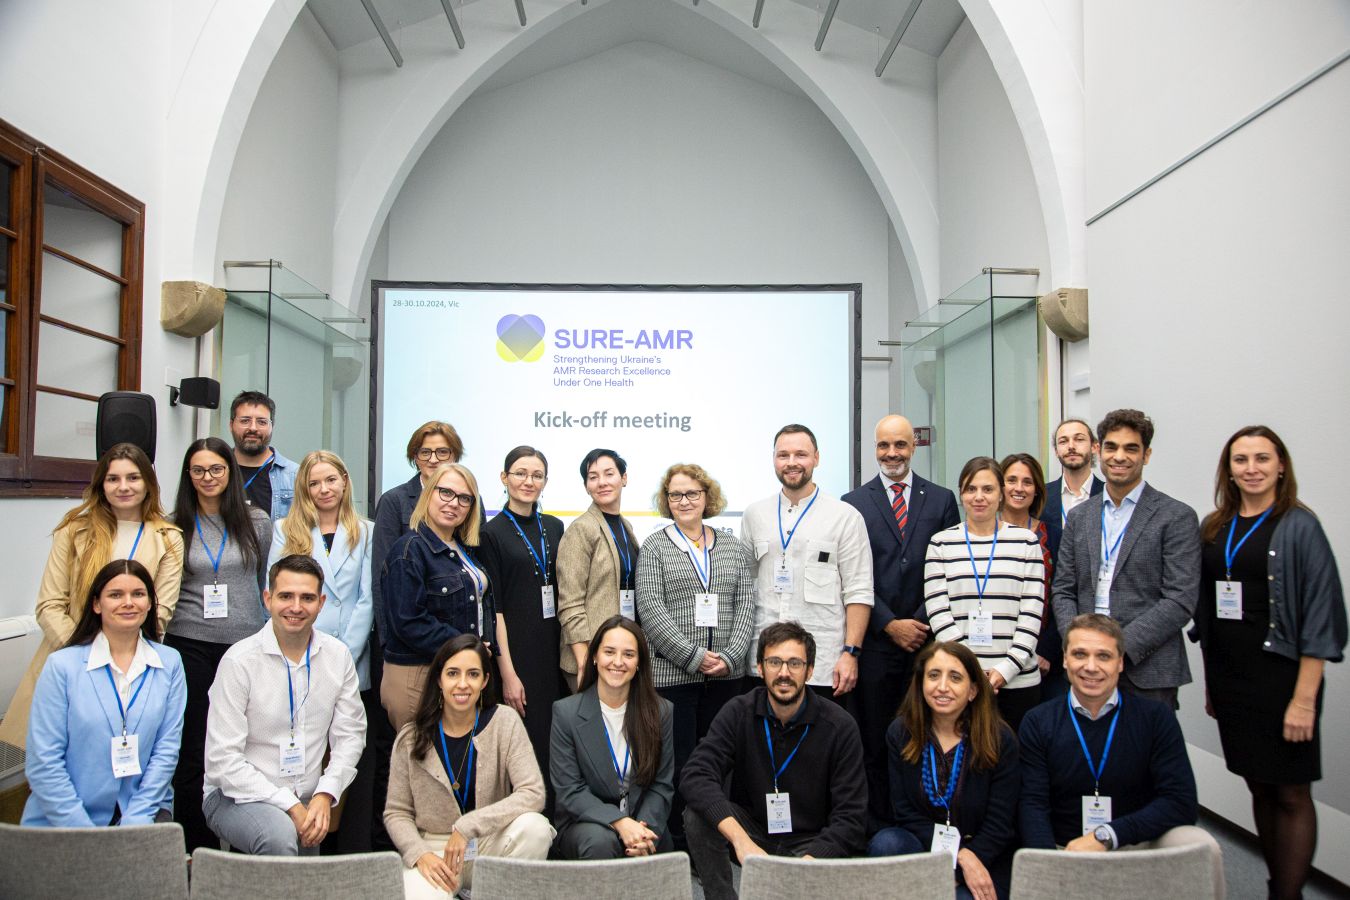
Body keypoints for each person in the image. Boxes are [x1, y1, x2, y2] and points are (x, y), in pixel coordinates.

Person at [1191, 426, 1346, 900]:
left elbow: (1322, 617)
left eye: (1262, 458)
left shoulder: (1300, 526)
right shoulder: (1216, 525)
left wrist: (1304, 700)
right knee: (1258, 785)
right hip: (1232, 678)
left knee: (1292, 792)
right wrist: (1213, 684)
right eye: (1241, 460)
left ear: (1281, 465)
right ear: (1229, 469)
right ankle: (1277, 880)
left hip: (1283, 679)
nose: (1252, 468)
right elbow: (1209, 608)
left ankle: (1287, 892)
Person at [1018, 614, 1224, 899]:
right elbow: (1032, 805)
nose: (1091, 667)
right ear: (1065, 659)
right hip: (1065, 848)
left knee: (1201, 845)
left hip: (1135, 844)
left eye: (1103, 656)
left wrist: (1106, 836)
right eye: (1080, 654)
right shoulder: (1038, 722)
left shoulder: (1155, 718)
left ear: (1120, 662)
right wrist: (1051, 864)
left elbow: (1180, 802)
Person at [0, 443, 183, 751]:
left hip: (130, 669)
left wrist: (117, 662)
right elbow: (49, 604)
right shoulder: (74, 530)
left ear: (148, 484)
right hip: (70, 660)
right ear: (101, 485)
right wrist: (87, 656)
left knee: (120, 766)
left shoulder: (168, 538)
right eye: (113, 479)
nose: (123, 486)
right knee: (55, 769)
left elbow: (160, 612)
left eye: (133, 478)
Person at [681, 622, 867, 900]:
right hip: (754, 833)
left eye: (794, 663)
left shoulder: (839, 726)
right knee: (697, 815)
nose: (784, 673)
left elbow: (851, 816)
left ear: (810, 670)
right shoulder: (738, 711)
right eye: (774, 662)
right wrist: (740, 839)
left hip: (811, 843)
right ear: (759, 667)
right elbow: (696, 774)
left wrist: (812, 860)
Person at [202, 555, 367, 856]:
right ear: (267, 599)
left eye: (307, 598)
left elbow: (351, 735)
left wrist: (326, 792)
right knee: (279, 836)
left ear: (321, 602)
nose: (296, 607)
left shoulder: (337, 656)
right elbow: (223, 763)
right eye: (285, 596)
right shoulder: (239, 662)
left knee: (303, 874)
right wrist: (289, 804)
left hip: (307, 798)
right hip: (236, 796)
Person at [842, 414, 960, 829]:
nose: (892, 453)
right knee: (874, 741)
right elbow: (852, 575)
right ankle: (878, 828)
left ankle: (921, 823)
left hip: (927, 644)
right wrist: (890, 623)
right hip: (876, 643)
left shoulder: (942, 499)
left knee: (924, 737)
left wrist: (920, 622)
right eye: (884, 446)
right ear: (874, 448)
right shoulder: (853, 503)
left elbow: (949, 566)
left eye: (900, 445)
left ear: (914, 447)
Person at [635, 463, 756, 848]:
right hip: (675, 680)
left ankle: (724, 839)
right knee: (680, 765)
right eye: (675, 495)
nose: (684, 501)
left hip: (725, 677)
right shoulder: (655, 546)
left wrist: (732, 656)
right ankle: (686, 843)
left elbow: (746, 605)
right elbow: (650, 610)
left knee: (722, 763)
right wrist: (694, 657)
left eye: (692, 494)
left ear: (707, 497)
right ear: (666, 501)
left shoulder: (732, 545)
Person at [1051, 409, 1200, 708]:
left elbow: (1179, 600)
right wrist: (1079, 645)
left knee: (1146, 753)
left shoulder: (1176, 516)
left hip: (1148, 669)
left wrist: (1115, 649)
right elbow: (1063, 588)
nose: (1119, 456)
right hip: (1085, 670)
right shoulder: (1081, 517)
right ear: (1099, 450)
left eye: (1131, 448)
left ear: (1146, 455)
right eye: (1111, 447)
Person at [21, 560, 187, 827]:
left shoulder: (170, 663)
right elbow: (44, 762)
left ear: (149, 603)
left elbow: (166, 752)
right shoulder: (62, 666)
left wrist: (135, 821)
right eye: (115, 595)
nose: (128, 602)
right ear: (97, 604)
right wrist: (86, 833)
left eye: (138, 594)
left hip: (142, 811)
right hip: (65, 819)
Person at [164, 436, 271, 852]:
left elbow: (259, 578)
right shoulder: (175, 525)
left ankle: (247, 843)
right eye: (199, 470)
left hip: (243, 646)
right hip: (188, 643)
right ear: (188, 476)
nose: (208, 477)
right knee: (193, 748)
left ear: (230, 472)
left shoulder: (256, 522)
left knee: (245, 746)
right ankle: (197, 849)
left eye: (216, 469)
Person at [385, 634, 552, 899]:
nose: (462, 684)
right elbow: (396, 812)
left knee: (536, 828)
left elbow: (532, 793)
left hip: (488, 840)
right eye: (453, 673)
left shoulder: (503, 721)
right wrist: (419, 854)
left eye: (473, 674)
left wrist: (468, 826)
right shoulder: (411, 736)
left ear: (485, 681)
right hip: (436, 851)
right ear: (439, 679)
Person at [270, 449, 376, 852]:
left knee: (348, 755)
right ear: (303, 488)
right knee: (304, 751)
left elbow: (367, 600)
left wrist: (342, 657)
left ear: (345, 481)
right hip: (297, 656)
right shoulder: (285, 530)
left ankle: (345, 852)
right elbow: (279, 594)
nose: (323, 489)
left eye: (330, 480)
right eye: (314, 483)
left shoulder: (365, 530)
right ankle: (299, 840)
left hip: (351, 656)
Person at [371, 420, 465, 848]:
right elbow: (388, 586)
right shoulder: (396, 504)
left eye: (442, 453)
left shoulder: (462, 513)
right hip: (413, 660)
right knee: (411, 767)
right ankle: (409, 857)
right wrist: (394, 646)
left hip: (448, 665)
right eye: (425, 453)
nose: (433, 460)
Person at [868, 642, 1019, 900]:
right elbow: (903, 811)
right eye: (933, 675)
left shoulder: (1000, 738)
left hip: (983, 854)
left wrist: (971, 859)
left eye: (955, 677)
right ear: (921, 683)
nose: (942, 687)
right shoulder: (901, 732)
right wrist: (958, 855)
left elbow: (1001, 823)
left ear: (972, 690)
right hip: (926, 846)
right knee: (887, 843)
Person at [741, 425, 873, 704]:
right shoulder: (755, 514)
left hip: (823, 664)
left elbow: (859, 591)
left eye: (800, 454)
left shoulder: (845, 516)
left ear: (816, 458)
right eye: (783, 455)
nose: (791, 463)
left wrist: (851, 653)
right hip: (764, 660)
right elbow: (745, 585)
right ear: (773, 460)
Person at [925, 457, 1045, 732]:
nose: (979, 497)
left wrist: (1005, 670)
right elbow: (938, 611)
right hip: (960, 682)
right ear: (961, 494)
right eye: (971, 489)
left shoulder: (1026, 542)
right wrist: (970, 671)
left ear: (1001, 494)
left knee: (1015, 764)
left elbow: (1031, 613)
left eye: (988, 489)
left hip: (1018, 681)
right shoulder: (941, 543)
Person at [478, 445, 566, 808]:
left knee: (554, 744)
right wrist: (508, 674)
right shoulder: (491, 532)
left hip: (554, 653)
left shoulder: (555, 527)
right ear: (504, 478)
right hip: (517, 656)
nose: (528, 481)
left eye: (537, 475)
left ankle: (557, 829)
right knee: (523, 746)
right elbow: (495, 609)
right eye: (520, 473)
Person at [551, 616, 675, 859]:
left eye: (629, 654)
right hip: (586, 823)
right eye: (609, 652)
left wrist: (643, 829)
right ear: (595, 656)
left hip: (643, 820)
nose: (618, 662)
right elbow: (570, 790)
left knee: (654, 847)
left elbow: (661, 784)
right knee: (601, 842)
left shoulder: (661, 711)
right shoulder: (566, 713)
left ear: (639, 662)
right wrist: (619, 822)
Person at [382, 463, 494, 731]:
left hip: (457, 670)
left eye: (464, 498)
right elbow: (409, 622)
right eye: (445, 493)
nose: (454, 503)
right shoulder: (409, 550)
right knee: (422, 766)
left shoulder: (464, 549)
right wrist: (467, 647)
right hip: (418, 674)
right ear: (428, 494)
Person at [557, 448, 640, 689]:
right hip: (590, 658)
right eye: (593, 477)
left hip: (619, 655)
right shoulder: (582, 529)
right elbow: (570, 602)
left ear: (623, 478)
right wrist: (584, 660)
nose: (601, 482)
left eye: (609, 474)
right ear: (586, 486)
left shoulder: (626, 526)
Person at [998, 452, 1064, 703]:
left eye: (1027, 482)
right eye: (1011, 480)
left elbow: (1065, 594)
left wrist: (1046, 650)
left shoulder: (1056, 537)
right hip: (992, 656)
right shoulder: (980, 533)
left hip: (1043, 659)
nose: (1019, 488)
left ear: (1037, 489)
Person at [227, 390, 297, 520]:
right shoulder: (215, 471)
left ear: (272, 426)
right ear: (231, 425)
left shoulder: (295, 475)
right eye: (245, 421)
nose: (253, 428)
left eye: (262, 422)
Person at [1041, 418, 1103, 556]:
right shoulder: (1041, 496)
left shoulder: (1109, 495)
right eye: (1063, 441)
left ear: (1094, 447)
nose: (1071, 446)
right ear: (1056, 451)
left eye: (1079, 439)